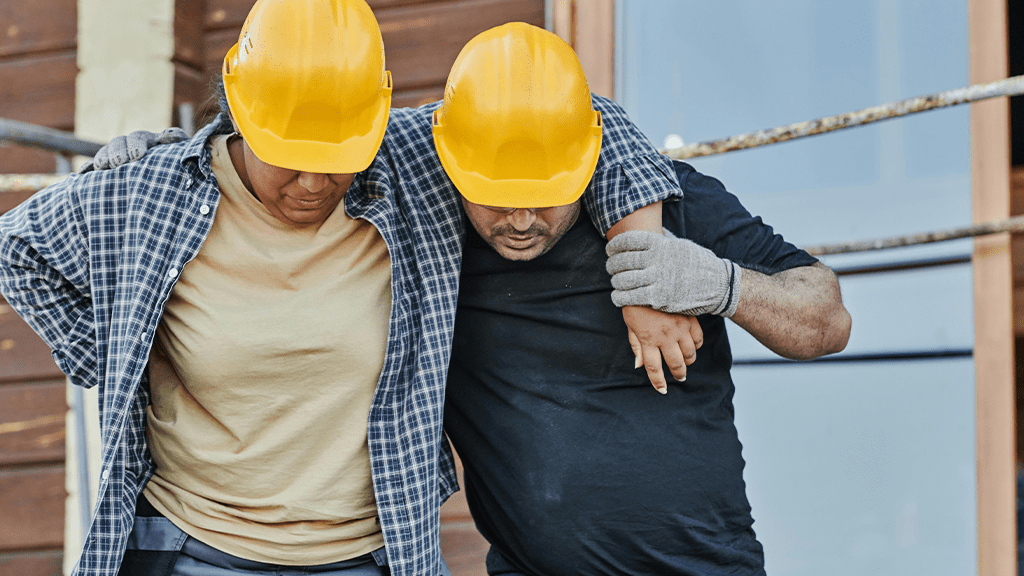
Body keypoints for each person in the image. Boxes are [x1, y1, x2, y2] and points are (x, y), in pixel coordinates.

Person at [0, 7, 683, 576]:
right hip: (191, 549)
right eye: (286, 159)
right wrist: (121, 351)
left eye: (335, 161)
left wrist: (643, 267)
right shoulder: (151, 192)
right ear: (240, 111)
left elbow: (587, 116)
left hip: (377, 554)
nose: (311, 184)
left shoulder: (409, 161)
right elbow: (16, 249)